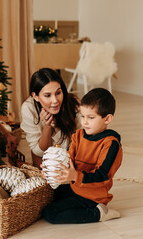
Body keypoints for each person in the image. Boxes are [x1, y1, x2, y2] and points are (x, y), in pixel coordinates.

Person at [42, 88, 123, 224]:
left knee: (51, 214)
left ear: (107, 118)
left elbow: (102, 176)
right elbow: (67, 160)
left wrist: (75, 176)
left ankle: (98, 213)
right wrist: (51, 169)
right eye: (82, 116)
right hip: (75, 186)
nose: (85, 122)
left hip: (92, 195)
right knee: (46, 195)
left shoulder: (111, 144)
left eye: (91, 117)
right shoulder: (78, 136)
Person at [20, 68, 79, 168]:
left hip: (71, 155)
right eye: (48, 95)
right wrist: (47, 126)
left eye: (58, 93)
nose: (55, 100)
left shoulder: (72, 104)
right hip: (44, 158)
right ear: (35, 96)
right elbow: (38, 152)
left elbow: (73, 146)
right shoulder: (28, 108)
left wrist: (57, 128)